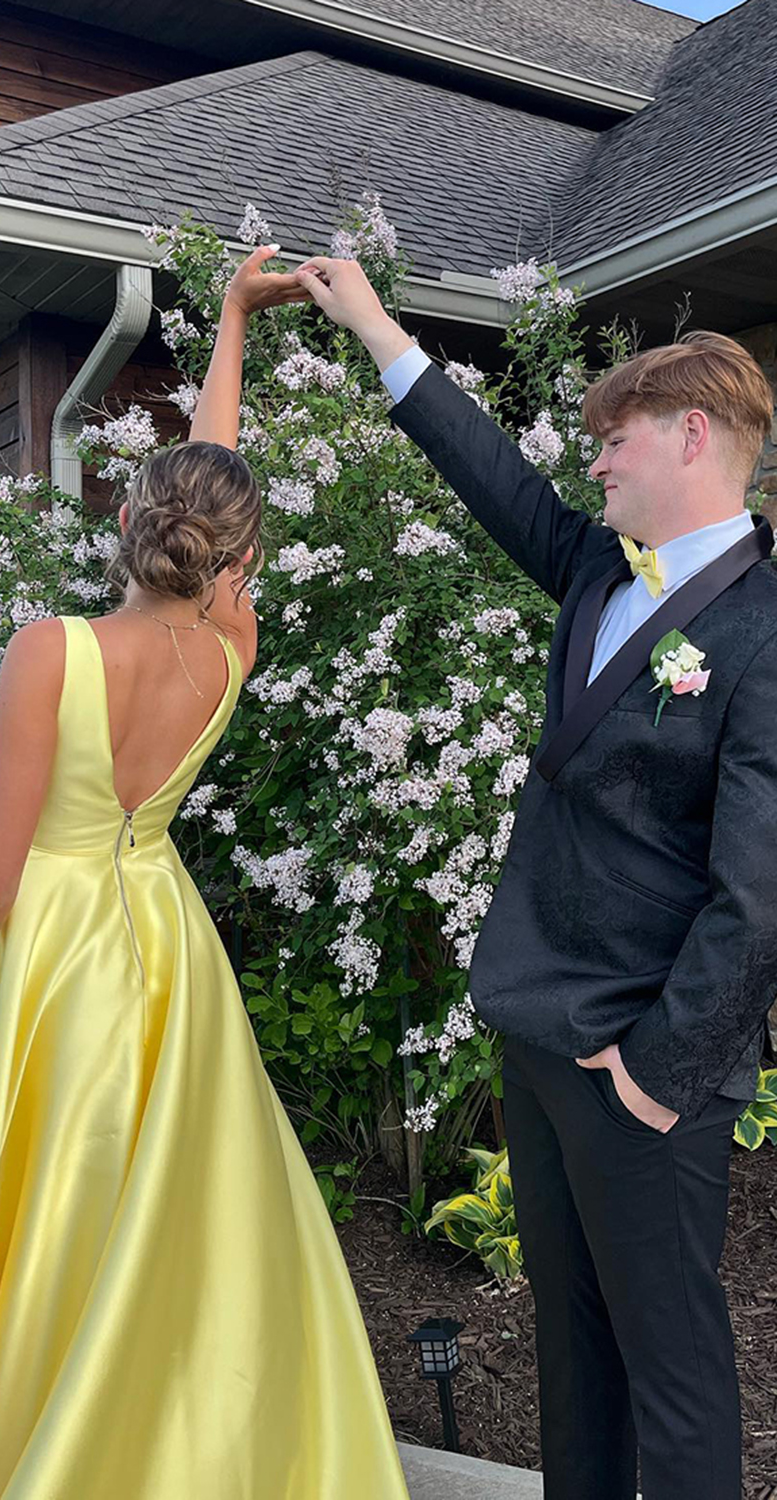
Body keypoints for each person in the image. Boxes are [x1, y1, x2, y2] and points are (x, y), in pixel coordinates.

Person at [0, 247, 411, 1500]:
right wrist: (228, 321)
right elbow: (221, 479)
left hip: (44, 959)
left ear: (127, 522)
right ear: (237, 557)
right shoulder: (231, 650)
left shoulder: (47, 650)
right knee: (143, 1224)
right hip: (160, 951)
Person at [294, 254, 777, 1500]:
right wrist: (373, 327)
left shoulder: (765, 635)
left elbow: (757, 891)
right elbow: (490, 475)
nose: (596, 466)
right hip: (538, 1034)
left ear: (691, 434)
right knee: (573, 1357)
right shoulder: (597, 571)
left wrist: (661, 1074)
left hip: (645, 1062)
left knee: (671, 1369)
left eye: (614, 444)